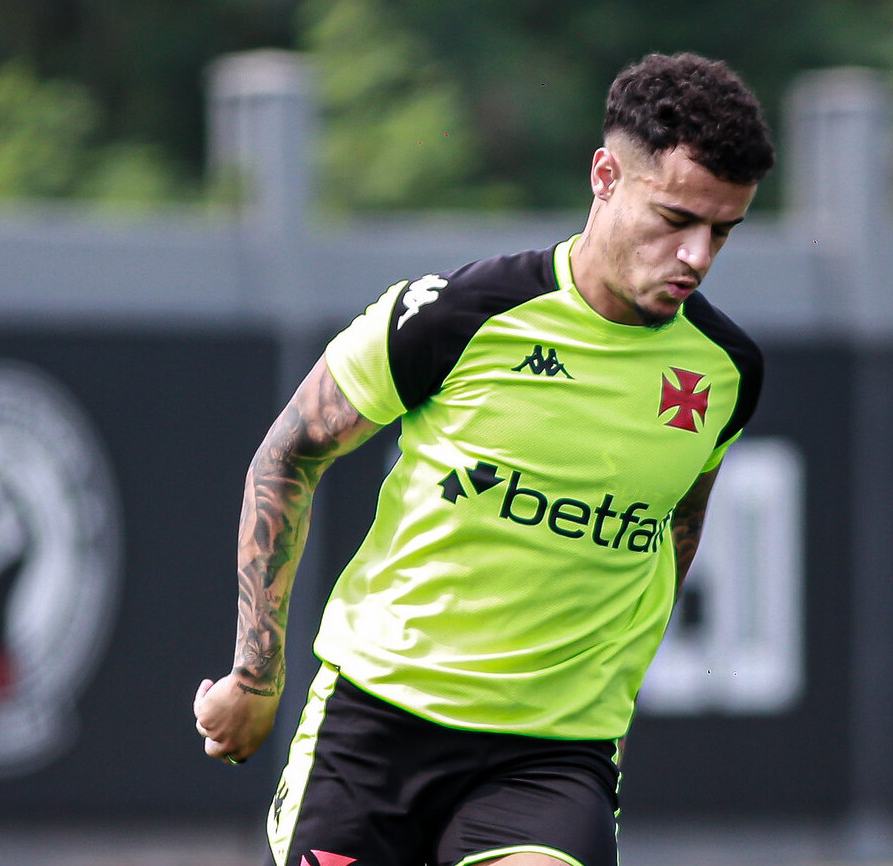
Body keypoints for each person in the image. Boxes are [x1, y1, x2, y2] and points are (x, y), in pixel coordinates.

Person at [194, 51, 775, 866]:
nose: (698, 257)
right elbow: (287, 457)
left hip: (551, 755)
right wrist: (255, 678)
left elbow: (680, 520)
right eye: (677, 219)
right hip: (377, 724)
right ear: (606, 175)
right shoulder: (455, 315)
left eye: (723, 232)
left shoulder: (726, 371)